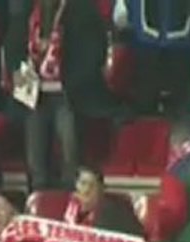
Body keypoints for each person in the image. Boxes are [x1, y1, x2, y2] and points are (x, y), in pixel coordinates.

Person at [7, 0, 114, 191]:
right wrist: (18, 70)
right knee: (35, 161)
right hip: (34, 95)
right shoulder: (28, 10)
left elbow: (95, 51)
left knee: (70, 159)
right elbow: (12, 46)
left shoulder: (83, 9)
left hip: (69, 95)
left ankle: (71, 206)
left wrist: (72, 80)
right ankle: (38, 204)